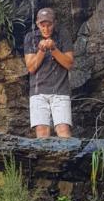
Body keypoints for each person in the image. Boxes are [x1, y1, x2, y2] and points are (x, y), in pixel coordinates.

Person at [24, 8, 75, 138]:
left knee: (63, 130)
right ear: (37, 24)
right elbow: (31, 68)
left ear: (55, 23)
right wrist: (41, 50)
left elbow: (69, 64)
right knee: (41, 131)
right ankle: (44, 159)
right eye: (42, 25)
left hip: (60, 90)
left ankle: (67, 158)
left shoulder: (63, 35)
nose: (46, 29)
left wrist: (53, 48)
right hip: (38, 92)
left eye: (49, 25)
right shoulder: (31, 37)